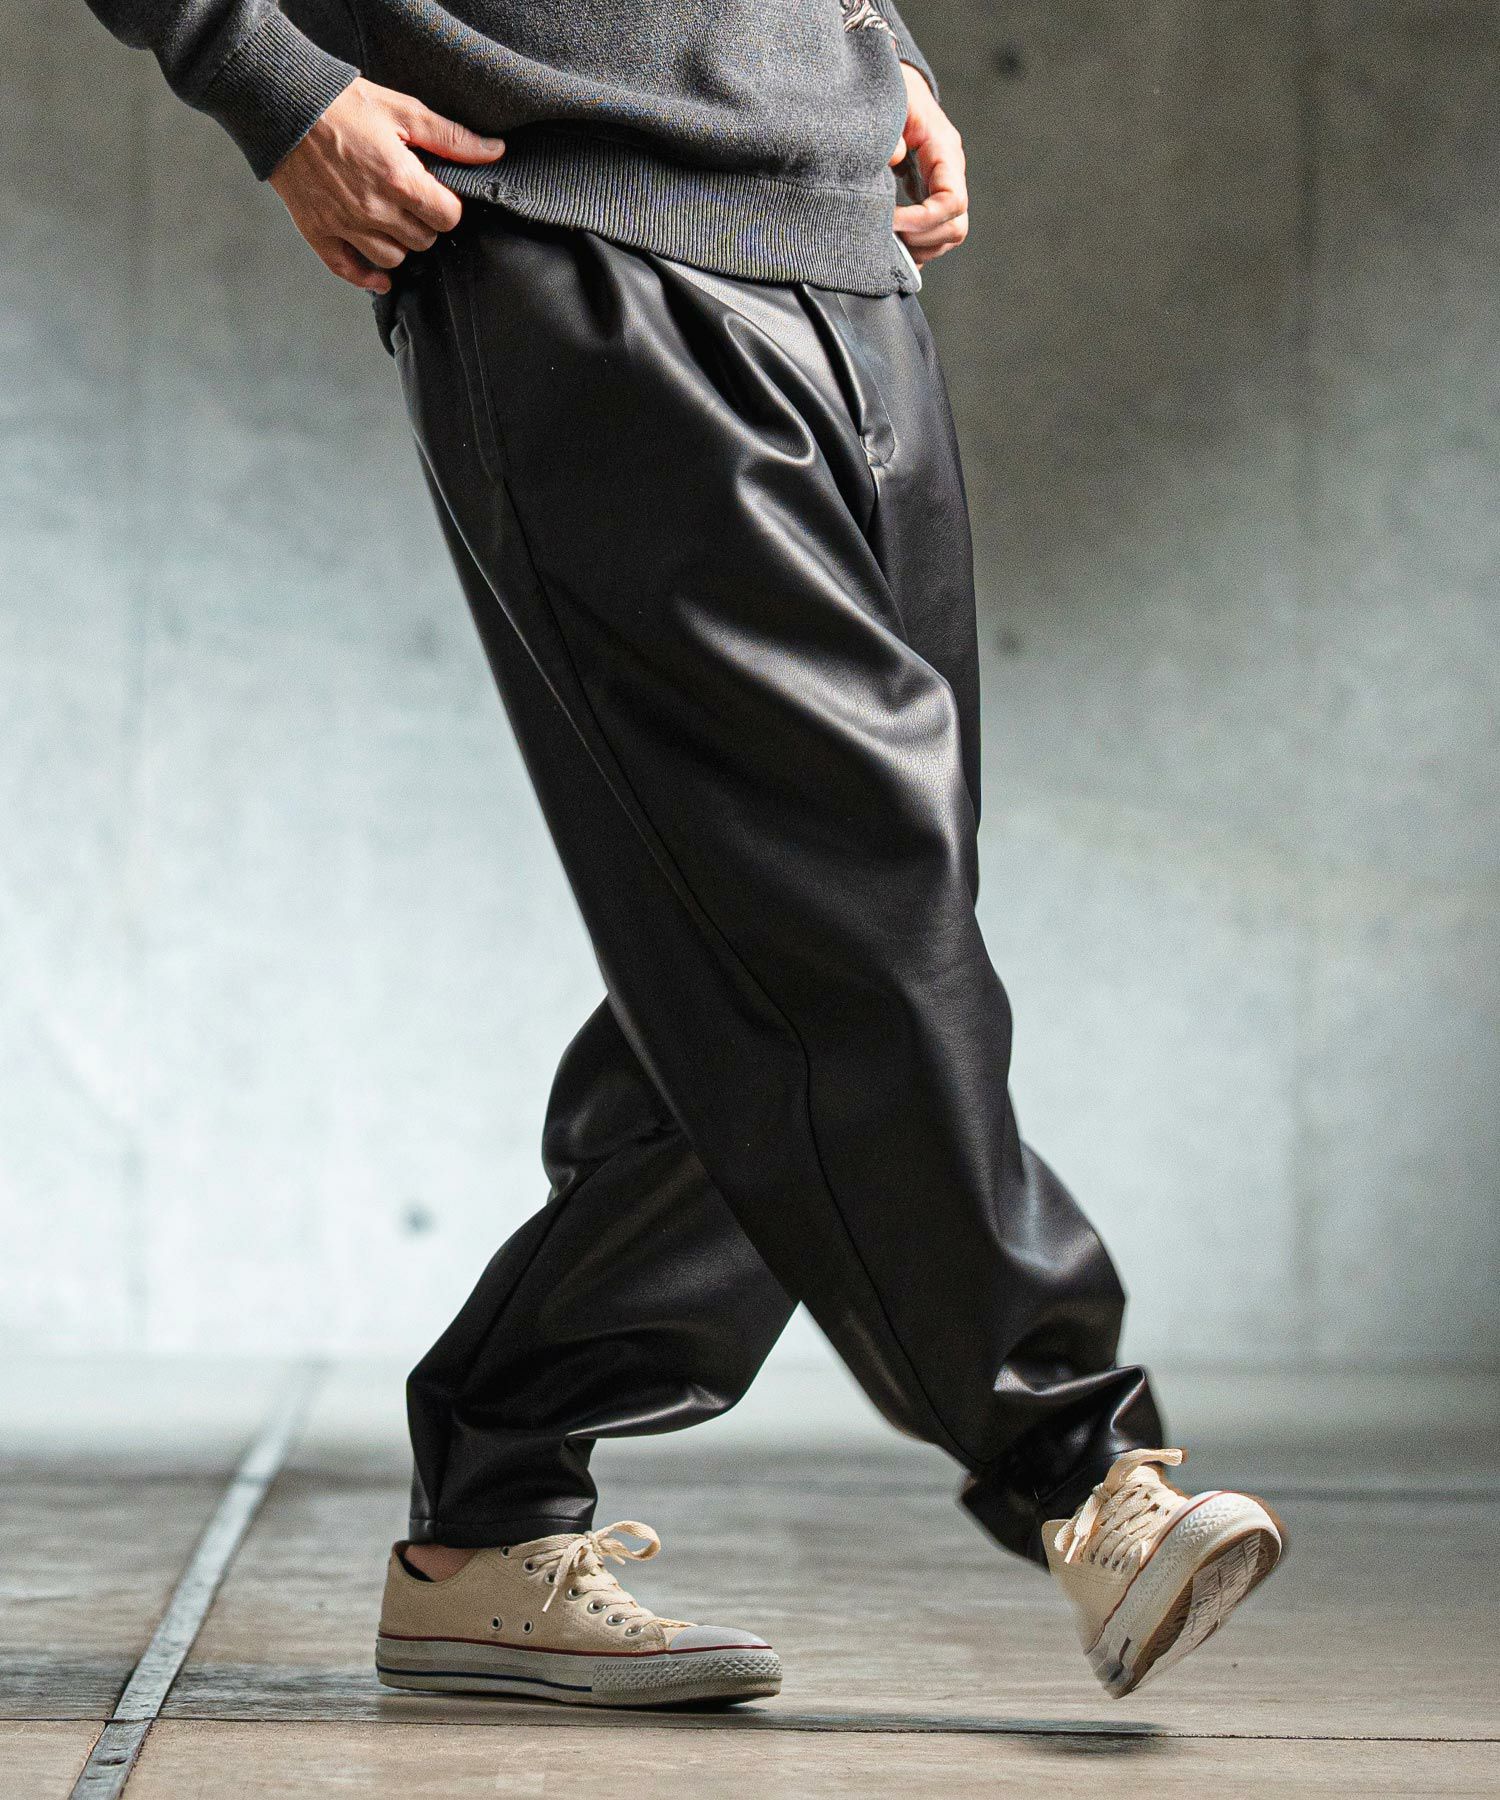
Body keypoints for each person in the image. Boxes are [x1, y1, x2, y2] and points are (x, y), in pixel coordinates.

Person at [84, 0, 1286, 1709]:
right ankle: (1076, 1467)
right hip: (575, 225)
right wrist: (264, 76)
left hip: (846, 247)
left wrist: (874, 42)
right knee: (836, 910)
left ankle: (493, 1510)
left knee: (792, 926)